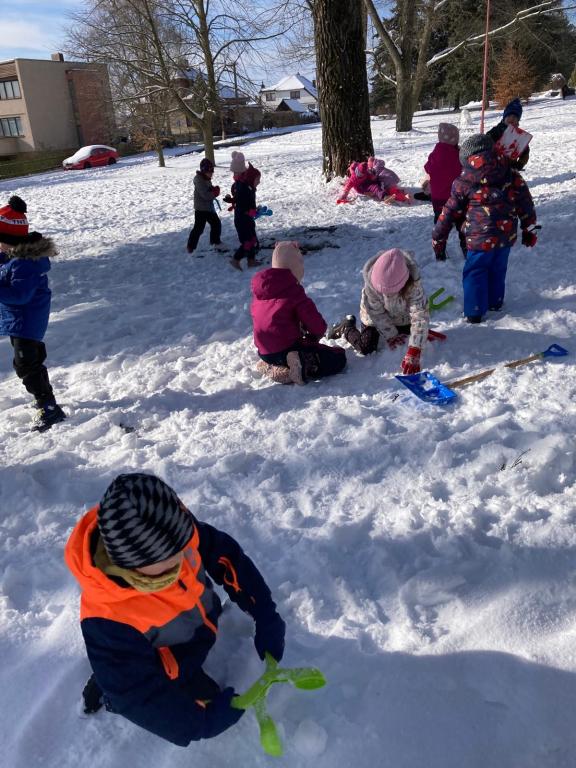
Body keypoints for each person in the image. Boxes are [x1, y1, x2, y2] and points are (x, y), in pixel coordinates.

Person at [65, 472, 286, 746]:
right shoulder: (108, 620)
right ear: (130, 564)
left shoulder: (175, 532)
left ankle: (112, 677)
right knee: (128, 679)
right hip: (166, 659)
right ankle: (107, 691)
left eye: (184, 550)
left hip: (195, 627)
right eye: (168, 567)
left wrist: (264, 613)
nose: (183, 560)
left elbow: (227, 558)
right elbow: (137, 695)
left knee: (128, 666)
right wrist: (197, 723)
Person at [432, 134, 538, 324]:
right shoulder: (510, 173)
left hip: (478, 239)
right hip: (505, 236)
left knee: (475, 271)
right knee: (498, 268)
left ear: (467, 159)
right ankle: (495, 302)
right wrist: (529, 229)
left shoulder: (464, 181)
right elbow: (526, 204)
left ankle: (474, 311)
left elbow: (448, 213)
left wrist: (438, 238)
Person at [0, 195, 66, 432]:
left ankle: (49, 407)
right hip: (19, 321)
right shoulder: (12, 257)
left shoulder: (24, 264)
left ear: (10, 241)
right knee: (29, 362)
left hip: (27, 322)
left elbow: (20, 295)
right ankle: (45, 399)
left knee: (26, 365)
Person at [251, 241, 346, 385]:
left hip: (264, 352)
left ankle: (274, 367)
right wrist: (316, 334)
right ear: (296, 267)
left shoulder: (261, 292)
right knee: (337, 358)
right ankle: (303, 363)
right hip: (287, 348)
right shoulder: (294, 291)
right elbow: (315, 323)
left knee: (281, 354)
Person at [328, 248, 429, 375]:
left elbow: (419, 315)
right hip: (373, 317)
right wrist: (391, 335)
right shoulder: (371, 285)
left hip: (400, 316)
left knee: (410, 335)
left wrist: (415, 348)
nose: (385, 295)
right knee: (366, 347)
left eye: (389, 292)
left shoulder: (413, 285)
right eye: (381, 292)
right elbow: (377, 314)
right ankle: (346, 328)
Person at [423, 123, 467, 261]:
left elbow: (427, 168)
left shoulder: (435, 154)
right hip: (457, 199)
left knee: (441, 226)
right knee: (462, 224)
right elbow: (465, 171)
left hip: (439, 200)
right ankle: (467, 249)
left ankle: (439, 252)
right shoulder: (459, 155)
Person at [225, 151, 262, 271]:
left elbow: (248, 203)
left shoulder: (249, 188)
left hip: (247, 219)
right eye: (257, 180)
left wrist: (254, 210)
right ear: (251, 179)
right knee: (247, 242)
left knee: (253, 239)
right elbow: (242, 204)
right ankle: (235, 259)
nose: (259, 182)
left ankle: (251, 260)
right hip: (242, 220)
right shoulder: (243, 188)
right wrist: (249, 211)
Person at [186, 158, 224, 255]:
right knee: (199, 228)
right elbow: (205, 195)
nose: (211, 174)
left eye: (212, 172)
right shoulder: (199, 180)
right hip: (201, 209)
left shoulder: (206, 178)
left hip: (208, 207)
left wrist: (214, 189)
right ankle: (191, 246)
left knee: (216, 223)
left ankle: (215, 242)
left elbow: (208, 190)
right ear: (203, 171)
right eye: (209, 172)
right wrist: (214, 193)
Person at [337, 158, 408, 204]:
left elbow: (371, 177)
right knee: (375, 187)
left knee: (376, 187)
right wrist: (343, 196)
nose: (361, 176)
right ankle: (393, 194)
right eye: (360, 175)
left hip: (367, 183)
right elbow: (347, 188)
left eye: (363, 174)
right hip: (360, 187)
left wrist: (374, 178)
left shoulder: (366, 172)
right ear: (357, 172)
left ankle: (385, 197)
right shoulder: (353, 178)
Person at [486, 98, 529, 170]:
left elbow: (525, 152)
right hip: (493, 165)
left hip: (510, 167)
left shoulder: (519, 136)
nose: (511, 118)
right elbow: (486, 141)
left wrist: (520, 164)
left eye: (514, 117)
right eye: (509, 116)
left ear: (518, 120)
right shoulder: (496, 130)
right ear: (504, 118)